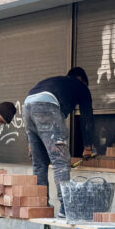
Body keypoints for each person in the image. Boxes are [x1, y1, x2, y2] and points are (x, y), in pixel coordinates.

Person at [23, 67, 94, 217]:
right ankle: (66, 207)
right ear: (81, 79)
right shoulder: (81, 86)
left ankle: (41, 204)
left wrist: (29, 142)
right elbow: (86, 118)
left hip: (27, 105)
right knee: (60, 160)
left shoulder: (56, 82)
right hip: (46, 106)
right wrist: (88, 146)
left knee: (39, 163)